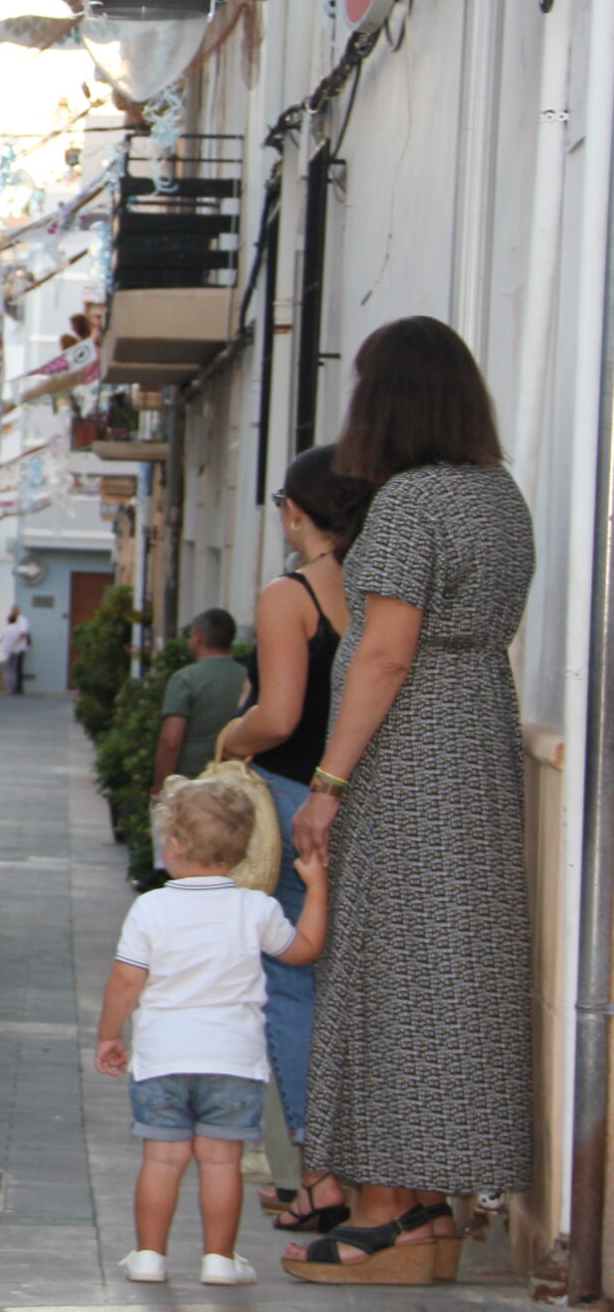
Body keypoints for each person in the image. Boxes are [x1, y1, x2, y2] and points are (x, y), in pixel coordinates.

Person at [284, 316, 530, 1282]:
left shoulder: (411, 503)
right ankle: (434, 1210)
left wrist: (330, 783)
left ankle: (385, 1210)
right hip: (475, 744)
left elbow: (385, 651)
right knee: (455, 976)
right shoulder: (497, 496)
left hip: (409, 752)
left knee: (386, 968)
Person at [216, 444, 371, 1236]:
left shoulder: (292, 594)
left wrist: (227, 736)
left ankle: (318, 1170)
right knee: (358, 983)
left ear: (295, 509)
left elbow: (278, 717)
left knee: (291, 977)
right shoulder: (385, 586)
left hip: (290, 796)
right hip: (370, 798)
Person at [100, 777, 329, 1288]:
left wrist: (109, 1034)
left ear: (174, 845)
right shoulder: (256, 909)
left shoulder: (151, 908)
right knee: (221, 1163)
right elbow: (306, 948)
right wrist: (315, 886)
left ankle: (148, 1256)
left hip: (163, 1058)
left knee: (162, 1160)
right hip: (232, 1061)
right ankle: (220, 1260)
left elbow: (127, 979)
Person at [154, 610, 246, 787]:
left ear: (197, 638)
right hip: (235, 783)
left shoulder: (185, 679)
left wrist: (160, 788)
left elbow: (171, 741)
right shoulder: (247, 678)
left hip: (192, 784)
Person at [0, 607, 31, 694]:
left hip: (16, 648)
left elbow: (23, 634)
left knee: (11, 669)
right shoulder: (15, 627)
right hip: (15, 649)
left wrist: (12, 642)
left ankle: (15, 688)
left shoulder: (22, 620)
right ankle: (14, 687)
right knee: (14, 669)